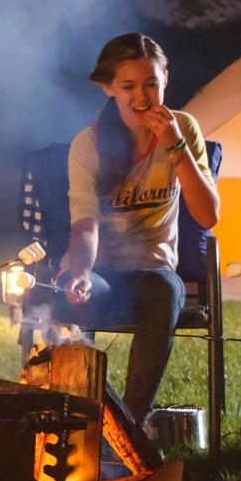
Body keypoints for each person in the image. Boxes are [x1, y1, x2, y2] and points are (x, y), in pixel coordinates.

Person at [52, 32, 219, 424]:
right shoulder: (89, 144)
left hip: (152, 273)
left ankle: (131, 425)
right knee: (60, 300)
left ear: (166, 80)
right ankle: (77, 421)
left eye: (151, 84)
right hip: (101, 272)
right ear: (107, 87)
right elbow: (86, 222)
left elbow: (208, 216)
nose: (142, 97)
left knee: (164, 290)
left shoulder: (183, 128)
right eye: (128, 86)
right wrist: (79, 272)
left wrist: (175, 145)